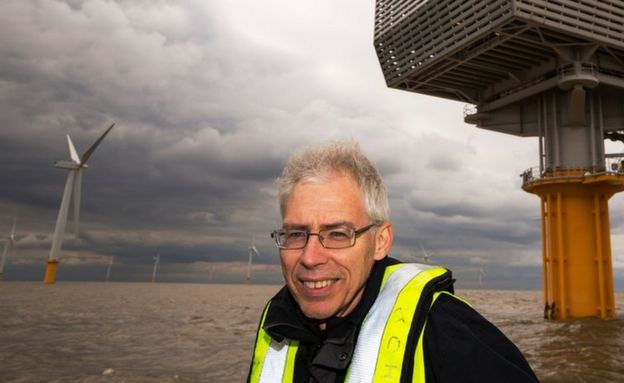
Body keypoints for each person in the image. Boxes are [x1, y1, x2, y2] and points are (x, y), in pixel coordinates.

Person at [247, 141, 538, 383]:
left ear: (381, 241)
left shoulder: (444, 332)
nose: (310, 257)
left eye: (337, 233)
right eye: (296, 234)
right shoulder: (276, 325)